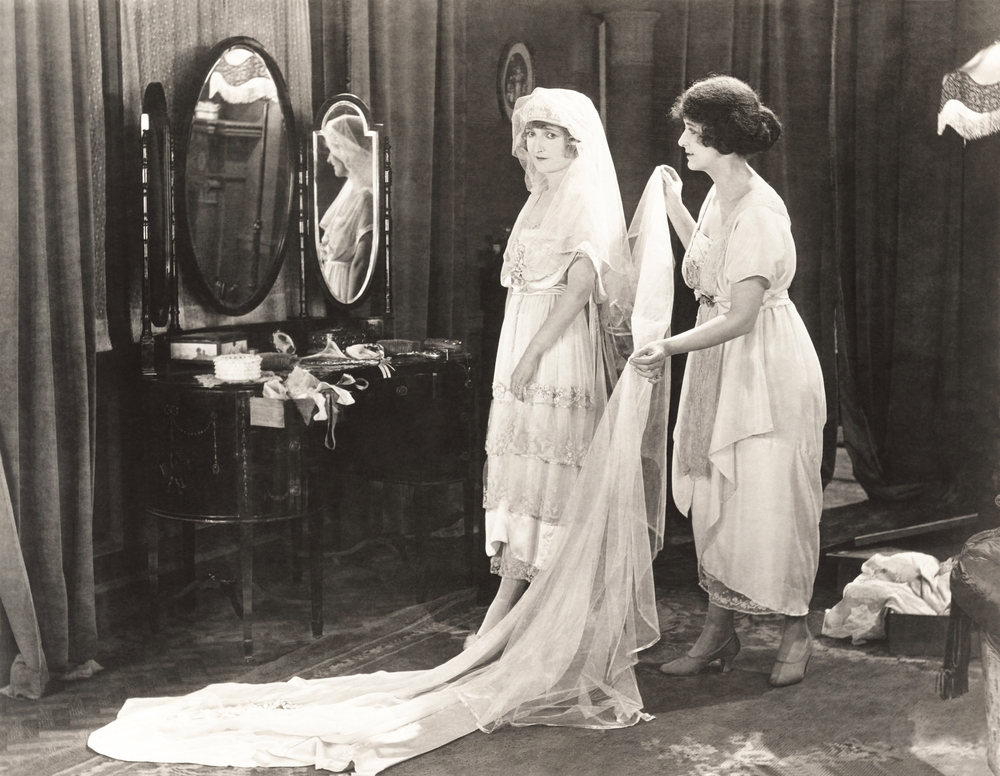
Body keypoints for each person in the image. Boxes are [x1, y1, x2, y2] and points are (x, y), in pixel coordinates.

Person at [87, 88, 676, 775]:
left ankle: (542, 622)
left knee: (550, 474)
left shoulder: (582, 202)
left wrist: (531, 357)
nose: (537, 144)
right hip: (525, 352)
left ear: (576, 144)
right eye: (532, 133)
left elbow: (577, 294)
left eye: (550, 134)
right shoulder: (535, 202)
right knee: (519, 479)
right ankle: (506, 616)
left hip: (553, 357)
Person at [631, 75, 826, 687]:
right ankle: (719, 635)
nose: (683, 143)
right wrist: (676, 213)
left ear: (720, 137)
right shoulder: (718, 193)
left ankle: (796, 629)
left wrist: (666, 345)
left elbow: (740, 315)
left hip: (764, 365)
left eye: (692, 133)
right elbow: (710, 271)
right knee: (721, 497)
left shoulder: (762, 211)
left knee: (771, 500)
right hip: (722, 358)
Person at [318, 113, 374, 303]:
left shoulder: (366, 198)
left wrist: (349, 307)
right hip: (330, 281)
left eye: (331, 152)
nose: (329, 160)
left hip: (344, 286)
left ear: (345, 152)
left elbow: (361, 262)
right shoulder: (349, 194)